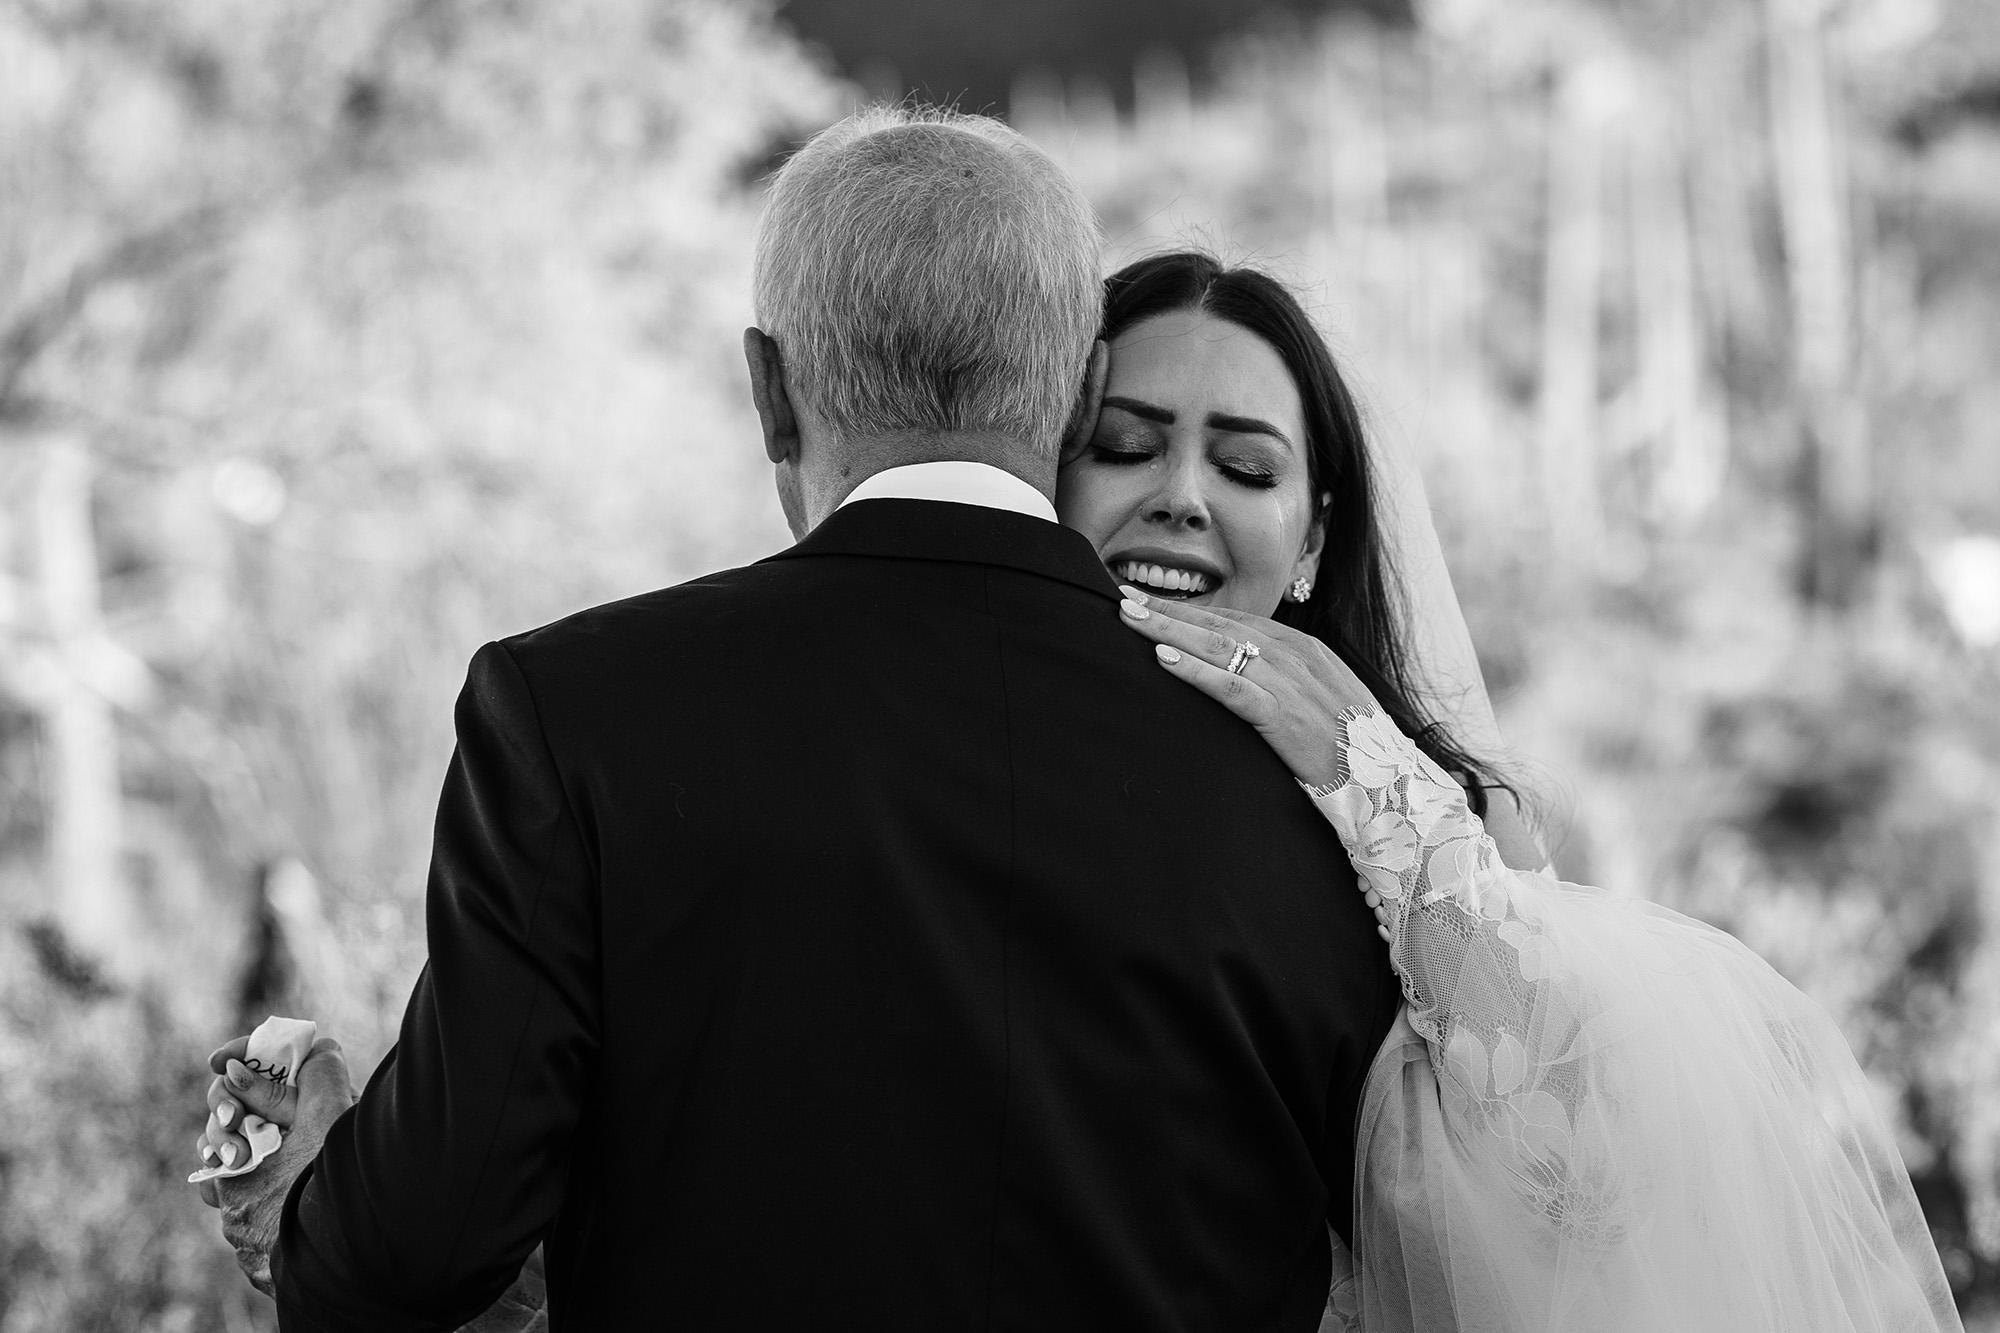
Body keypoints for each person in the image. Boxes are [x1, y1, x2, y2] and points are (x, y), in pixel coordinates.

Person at [191, 109, 1401, 1331]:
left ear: (769, 391)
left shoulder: (575, 712)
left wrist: (319, 1204)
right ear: (1084, 393)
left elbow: (423, 1244)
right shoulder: (1325, 786)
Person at [1068, 251, 1964, 1331]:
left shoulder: (1447, 815)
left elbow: (1582, 1202)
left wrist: (1376, 786)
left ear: (1311, 535)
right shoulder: (967, 752)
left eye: (1246, 469)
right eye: (1124, 447)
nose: (1179, 497)